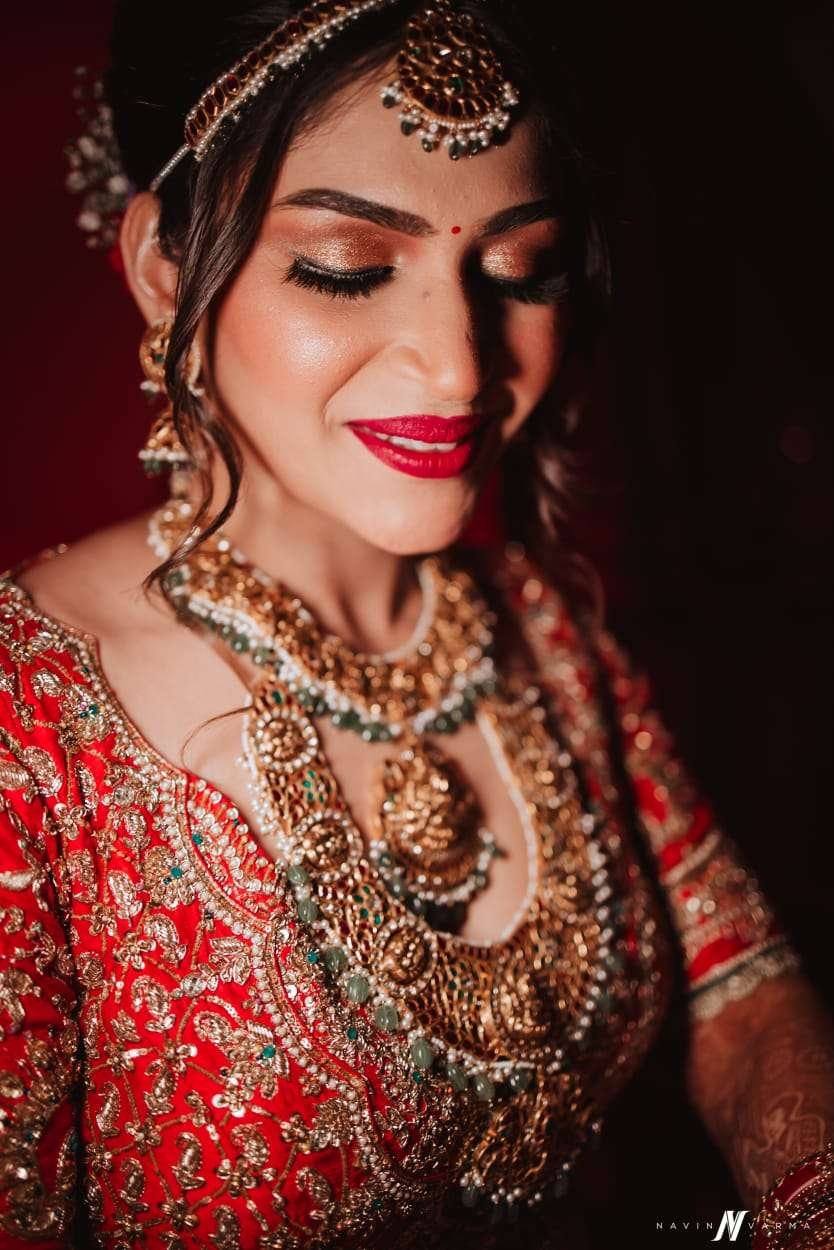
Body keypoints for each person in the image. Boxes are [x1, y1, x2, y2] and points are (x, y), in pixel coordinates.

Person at [0, 2, 832, 1246]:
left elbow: (743, 985)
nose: (459, 364)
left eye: (521, 268)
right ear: (166, 268)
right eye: (347, 266)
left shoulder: (544, 627)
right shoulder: (30, 719)